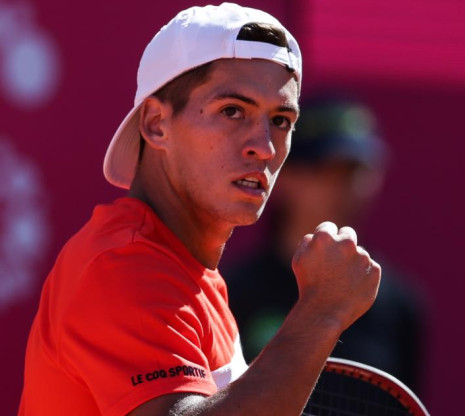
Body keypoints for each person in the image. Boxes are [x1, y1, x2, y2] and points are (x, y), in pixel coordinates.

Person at [18, 3, 380, 416]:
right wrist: (322, 311)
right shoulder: (123, 264)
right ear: (156, 124)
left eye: (280, 120)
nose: (262, 146)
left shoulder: (191, 272)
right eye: (232, 111)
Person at [224, 96, 427, 391]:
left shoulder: (400, 306)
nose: (347, 188)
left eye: (357, 171)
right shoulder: (229, 294)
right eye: (326, 169)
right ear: (284, 174)